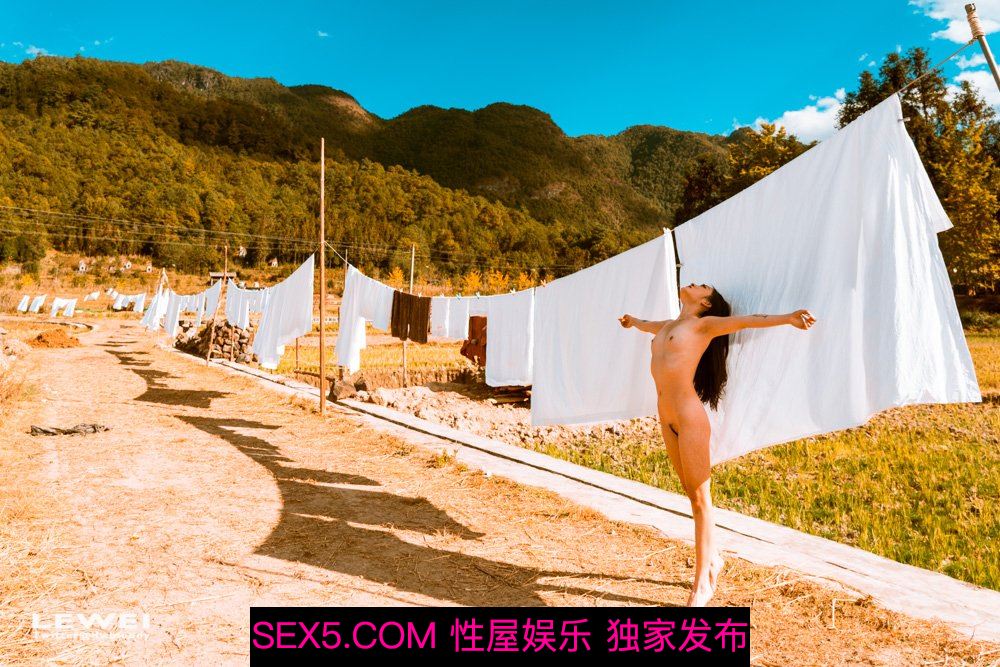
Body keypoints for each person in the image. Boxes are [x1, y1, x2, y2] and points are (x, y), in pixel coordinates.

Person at [619, 283, 815, 606]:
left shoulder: (704, 325)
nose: (693, 283)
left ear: (706, 303)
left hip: (689, 417)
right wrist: (633, 322)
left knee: (700, 500)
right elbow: (646, 326)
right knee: (690, 493)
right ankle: (714, 557)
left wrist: (788, 318)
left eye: (702, 286)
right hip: (666, 417)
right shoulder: (667, 326)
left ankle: (703, 583)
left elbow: (748, 321)